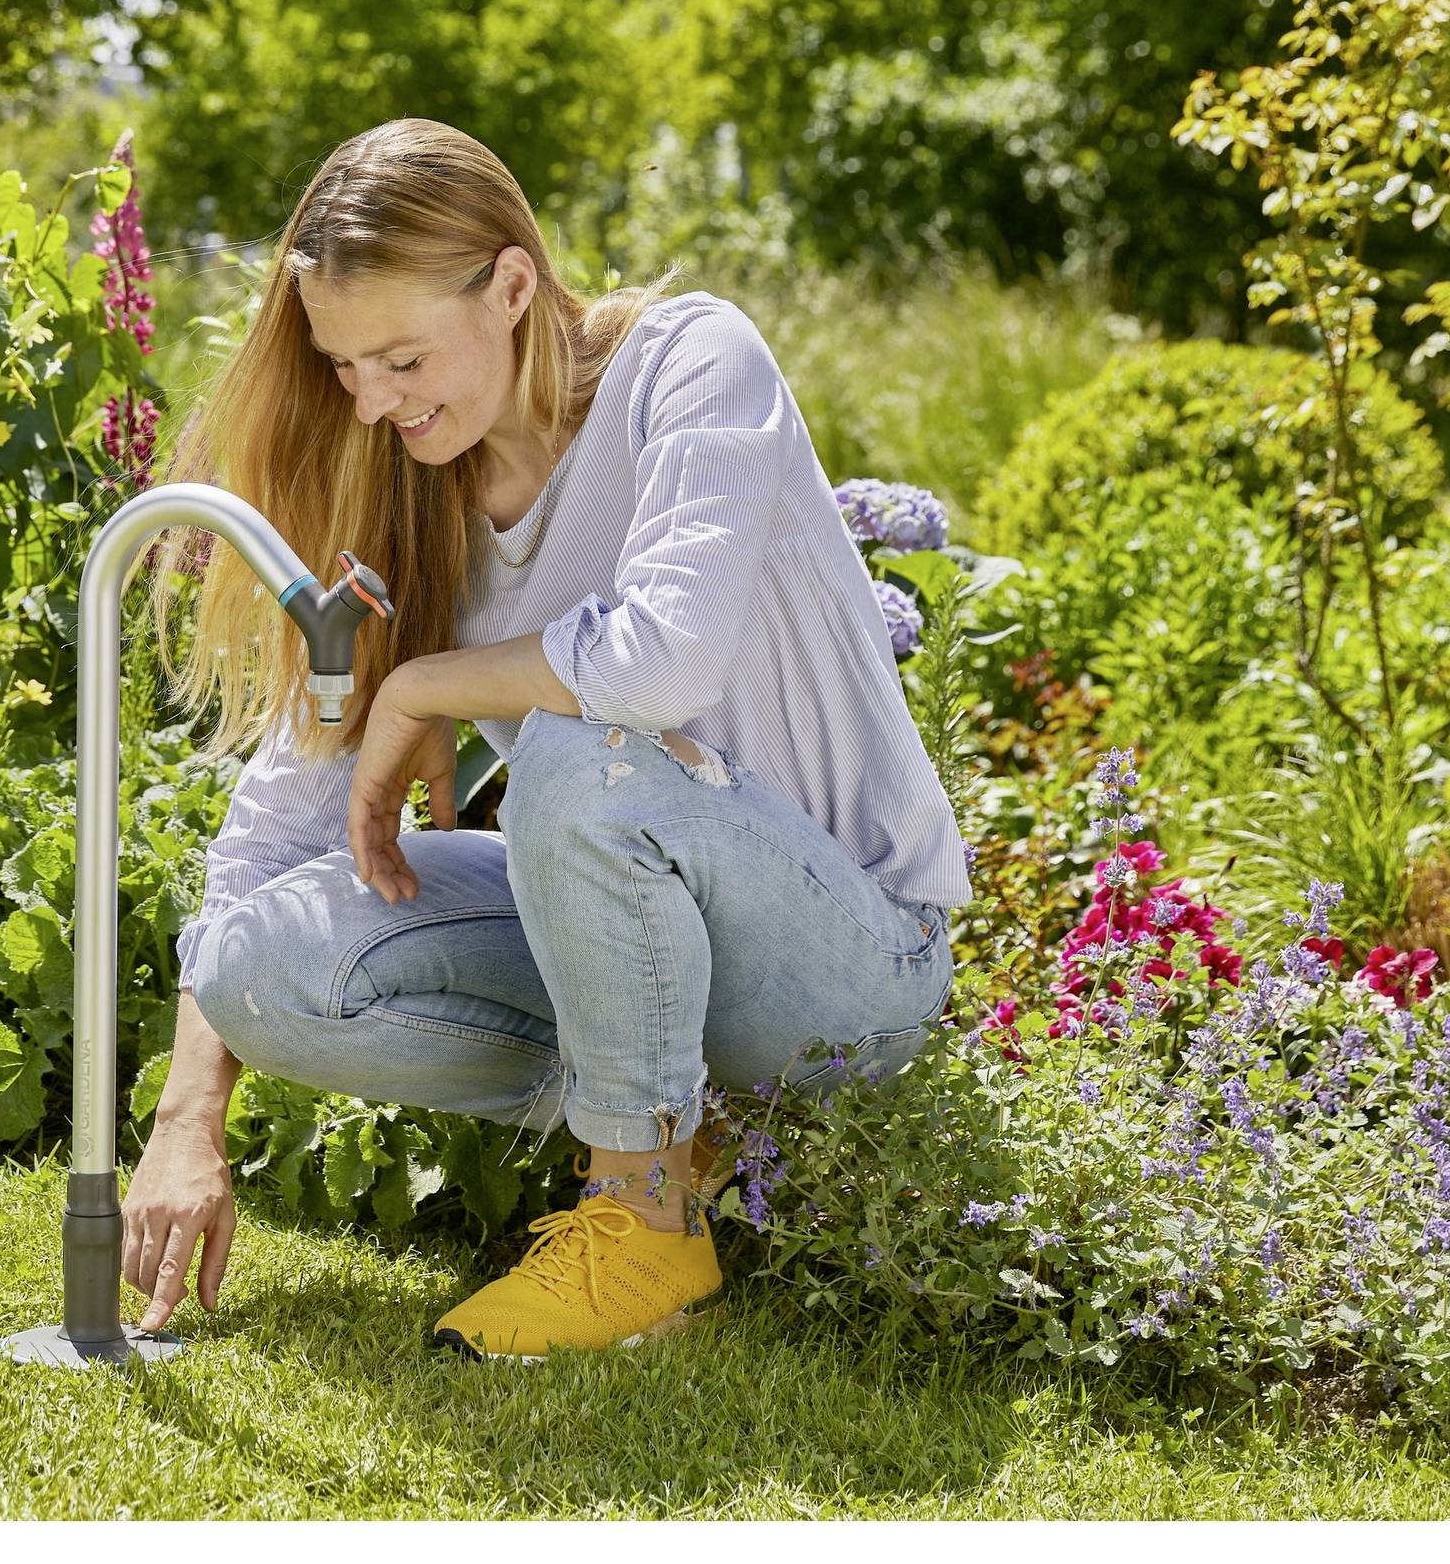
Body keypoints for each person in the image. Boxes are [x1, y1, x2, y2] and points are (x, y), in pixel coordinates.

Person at [123, 120, 966, 1360]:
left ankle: (646, 1222)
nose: (370, 401)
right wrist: (189, 1114)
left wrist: (424, 686)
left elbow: (661, 660)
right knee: (258, 963)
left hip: (849, 967)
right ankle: (679, 1119)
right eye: (345, 366)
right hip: (637, 945)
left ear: (512, 285)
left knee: (582, 754)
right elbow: (277, 830)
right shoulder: (413, 493)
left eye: (400, 357)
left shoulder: (693, 364)